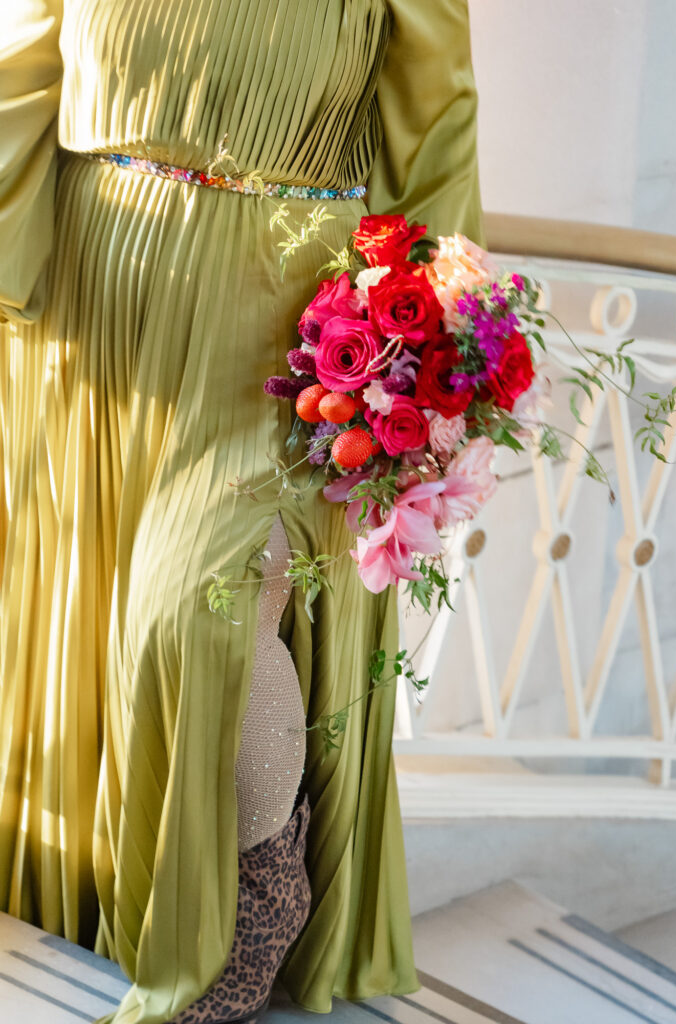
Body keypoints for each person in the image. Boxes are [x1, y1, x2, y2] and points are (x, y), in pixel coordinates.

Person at [0, 1, 483, 1021]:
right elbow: (28, 58)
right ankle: (130, 893)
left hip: (281, 319)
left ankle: (256, 896)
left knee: (203, 604)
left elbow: (436, 131)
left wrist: (434, 362)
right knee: (101, 616)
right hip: (96, 298)